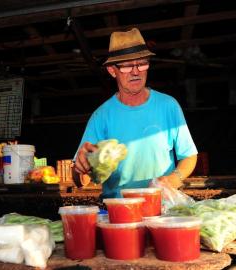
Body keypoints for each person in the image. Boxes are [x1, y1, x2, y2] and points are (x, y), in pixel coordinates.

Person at [73, 28, 198, 198]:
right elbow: (81, 180)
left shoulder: (168, 106)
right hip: (118, 212)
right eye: (126, 66)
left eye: (142, 63)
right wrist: (80, 168)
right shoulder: (101, 116)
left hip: (162, 206)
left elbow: (189, 156)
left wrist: (172, 180)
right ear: (112, 70)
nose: (135, 71)